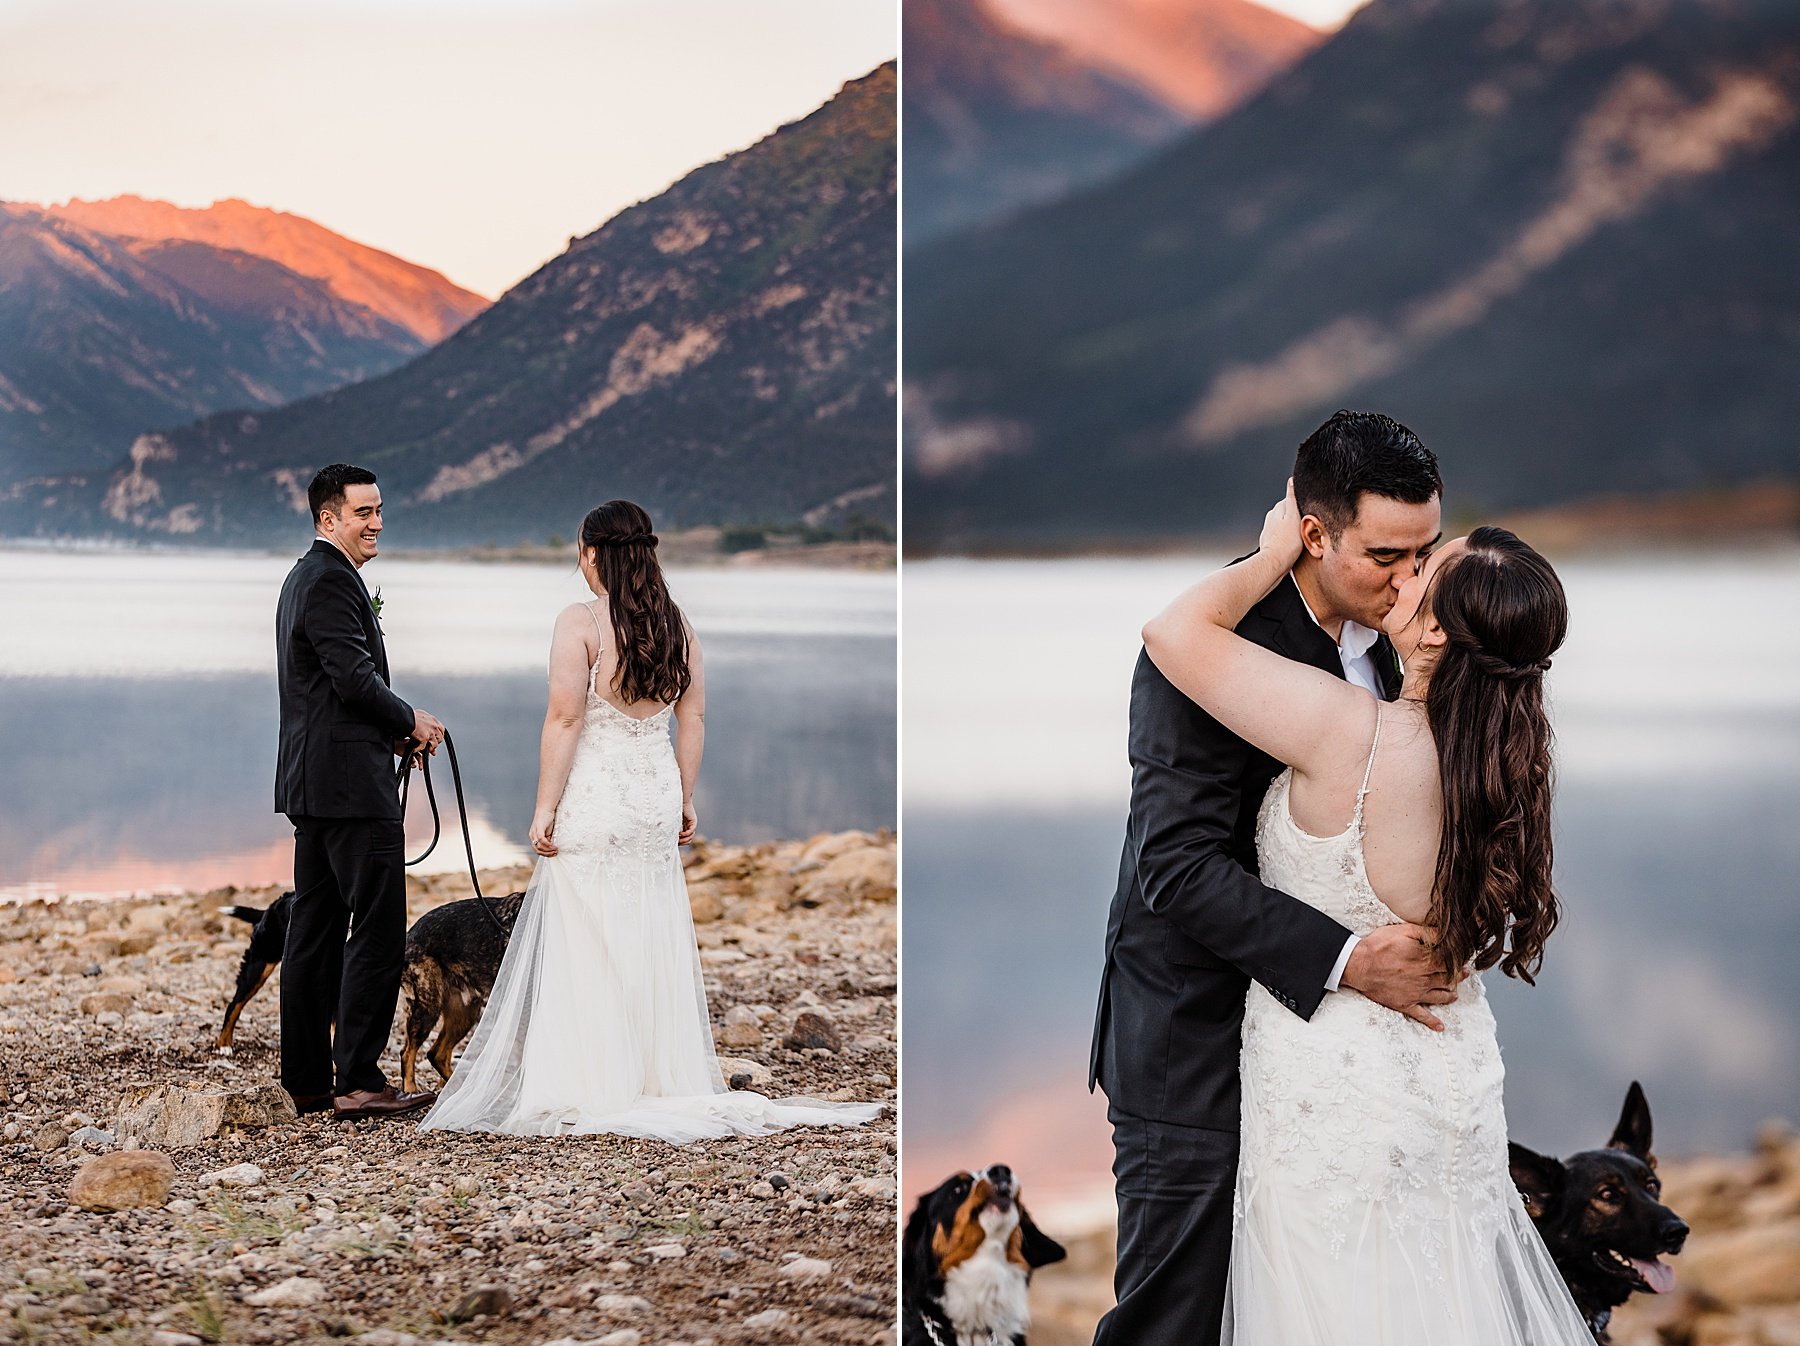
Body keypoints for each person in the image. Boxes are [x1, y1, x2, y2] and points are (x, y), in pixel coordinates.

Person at [1141, 480, 1589, 1341]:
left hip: (1335, 1095)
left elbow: (1173, 634)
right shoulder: (1508, 769)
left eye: (1426, 569)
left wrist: (1274, 552)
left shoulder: (1350, 731)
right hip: (1451, 1083)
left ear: (1435, 632)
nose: (1405, 573)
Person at [1089, 411, 1452, 1343]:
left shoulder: (1413, 647)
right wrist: (1351, 962)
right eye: (1386, 555)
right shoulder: (1210, 643)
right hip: (1193, 1034)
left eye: (1427, 551)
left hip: (1337, 1063)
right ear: (1314, 532)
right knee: (1176, 1319)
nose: (1411, 579)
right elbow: (1174, 866)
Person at [420, 500, 882, 1140]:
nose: (578, 566)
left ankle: (589, 1079)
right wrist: (687, 797)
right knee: (648, 930)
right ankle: (654, 1074)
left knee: (586, 934)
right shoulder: (679, 626)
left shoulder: (579, 623)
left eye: (580, 553)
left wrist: (544, 807)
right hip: (655, 795)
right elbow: (691, 720)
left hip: (599, 797)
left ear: (594, 554)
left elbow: (565, 719)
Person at [275, 463, 445, 1121]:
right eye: (362, 512)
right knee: (375, 929)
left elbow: (329, 690)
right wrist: (411, 721)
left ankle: (311, 1082)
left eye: (379, 510)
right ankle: (360, 1080)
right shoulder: (327, 581)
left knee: (313, 928)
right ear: (328, 518)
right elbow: (352, 679)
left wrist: (391, 735)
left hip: (315, 779)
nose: (376, 522)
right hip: (347, 787)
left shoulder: (308, 577)